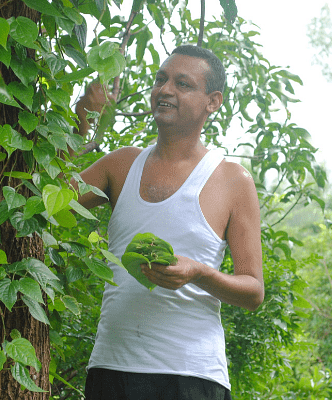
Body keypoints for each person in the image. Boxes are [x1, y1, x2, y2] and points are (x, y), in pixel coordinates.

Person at [71, 44, 264, 400]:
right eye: (161, 79)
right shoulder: (120, 164)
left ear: (213, 101)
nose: (165, 89)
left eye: (183, 84)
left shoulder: (232, 180)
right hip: (111, 371)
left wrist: (200, 272)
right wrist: (84, 117)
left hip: (191, 377)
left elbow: (253, 291)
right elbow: (46, 202)